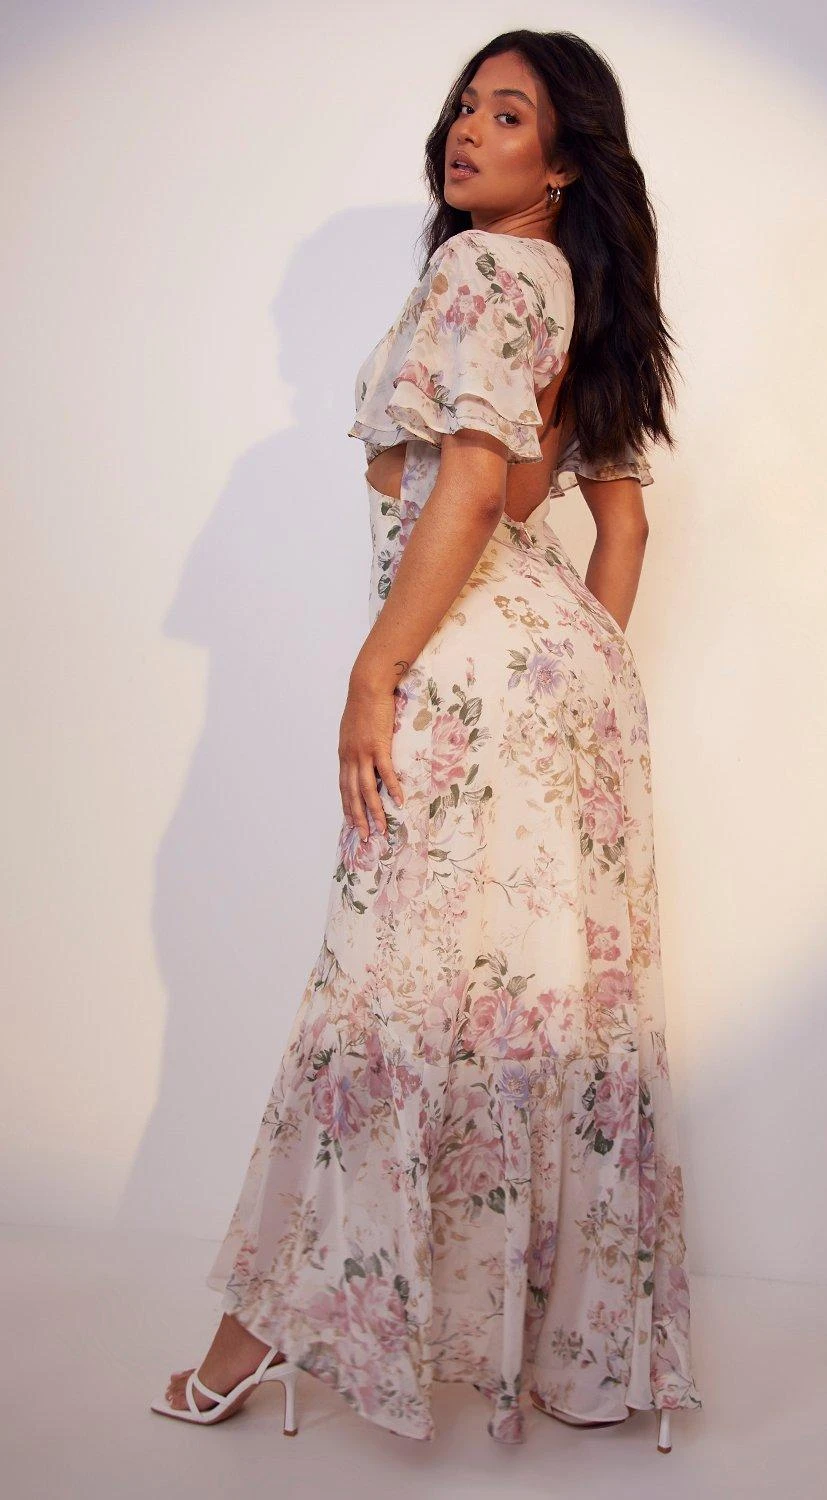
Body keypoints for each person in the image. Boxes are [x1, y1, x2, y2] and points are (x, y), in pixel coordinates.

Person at [150, 29, 703, 1452]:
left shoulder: (482, 275)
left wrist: (379, 668)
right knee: (532, 1007)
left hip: (456, 670)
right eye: (466, 105)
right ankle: (576, 1358)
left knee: (381, 997)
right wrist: (570, 690)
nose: (469, 128)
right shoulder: (573, 291)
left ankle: (252, 1339)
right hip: (560, 687)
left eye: (509, 113)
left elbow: (466, 477)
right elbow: (621, 528)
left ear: (562, 159)